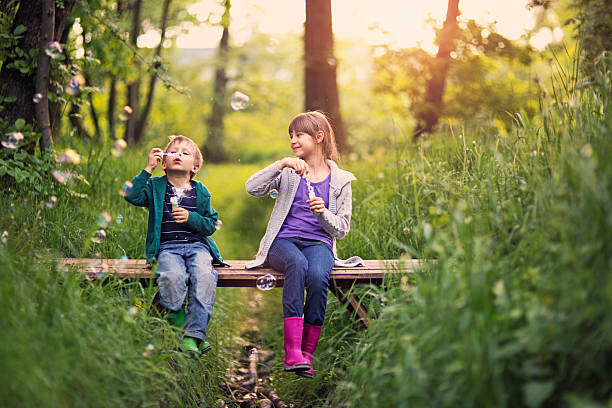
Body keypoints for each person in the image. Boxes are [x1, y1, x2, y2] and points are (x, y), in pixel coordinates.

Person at [245, 111, 363, 378]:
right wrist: (280, 164)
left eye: (299, 135)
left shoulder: (341, 180)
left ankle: (306, 356)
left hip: (319, 243)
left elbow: (341, 230)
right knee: (296, 264)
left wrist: (323, 213)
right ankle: (292, 353)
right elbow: (252, 187)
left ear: (318, 137)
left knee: (319, 275)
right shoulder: (288, 172)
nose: (293, 141)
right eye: (291, 136)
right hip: (282, 242)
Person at [124, 135, 226, 356]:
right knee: (172, 276)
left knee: (205, 277)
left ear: (195, 167)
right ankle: (181, 329)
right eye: (174, 151)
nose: (178, 154)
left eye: (185, 152)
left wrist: (191, 218)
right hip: (168, 248)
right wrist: (147, 169)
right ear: (164, 163)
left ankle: (194, 335)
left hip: (198, 247)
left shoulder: (201, 192)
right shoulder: (155, 187)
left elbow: (209, 225)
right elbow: (131, 195)